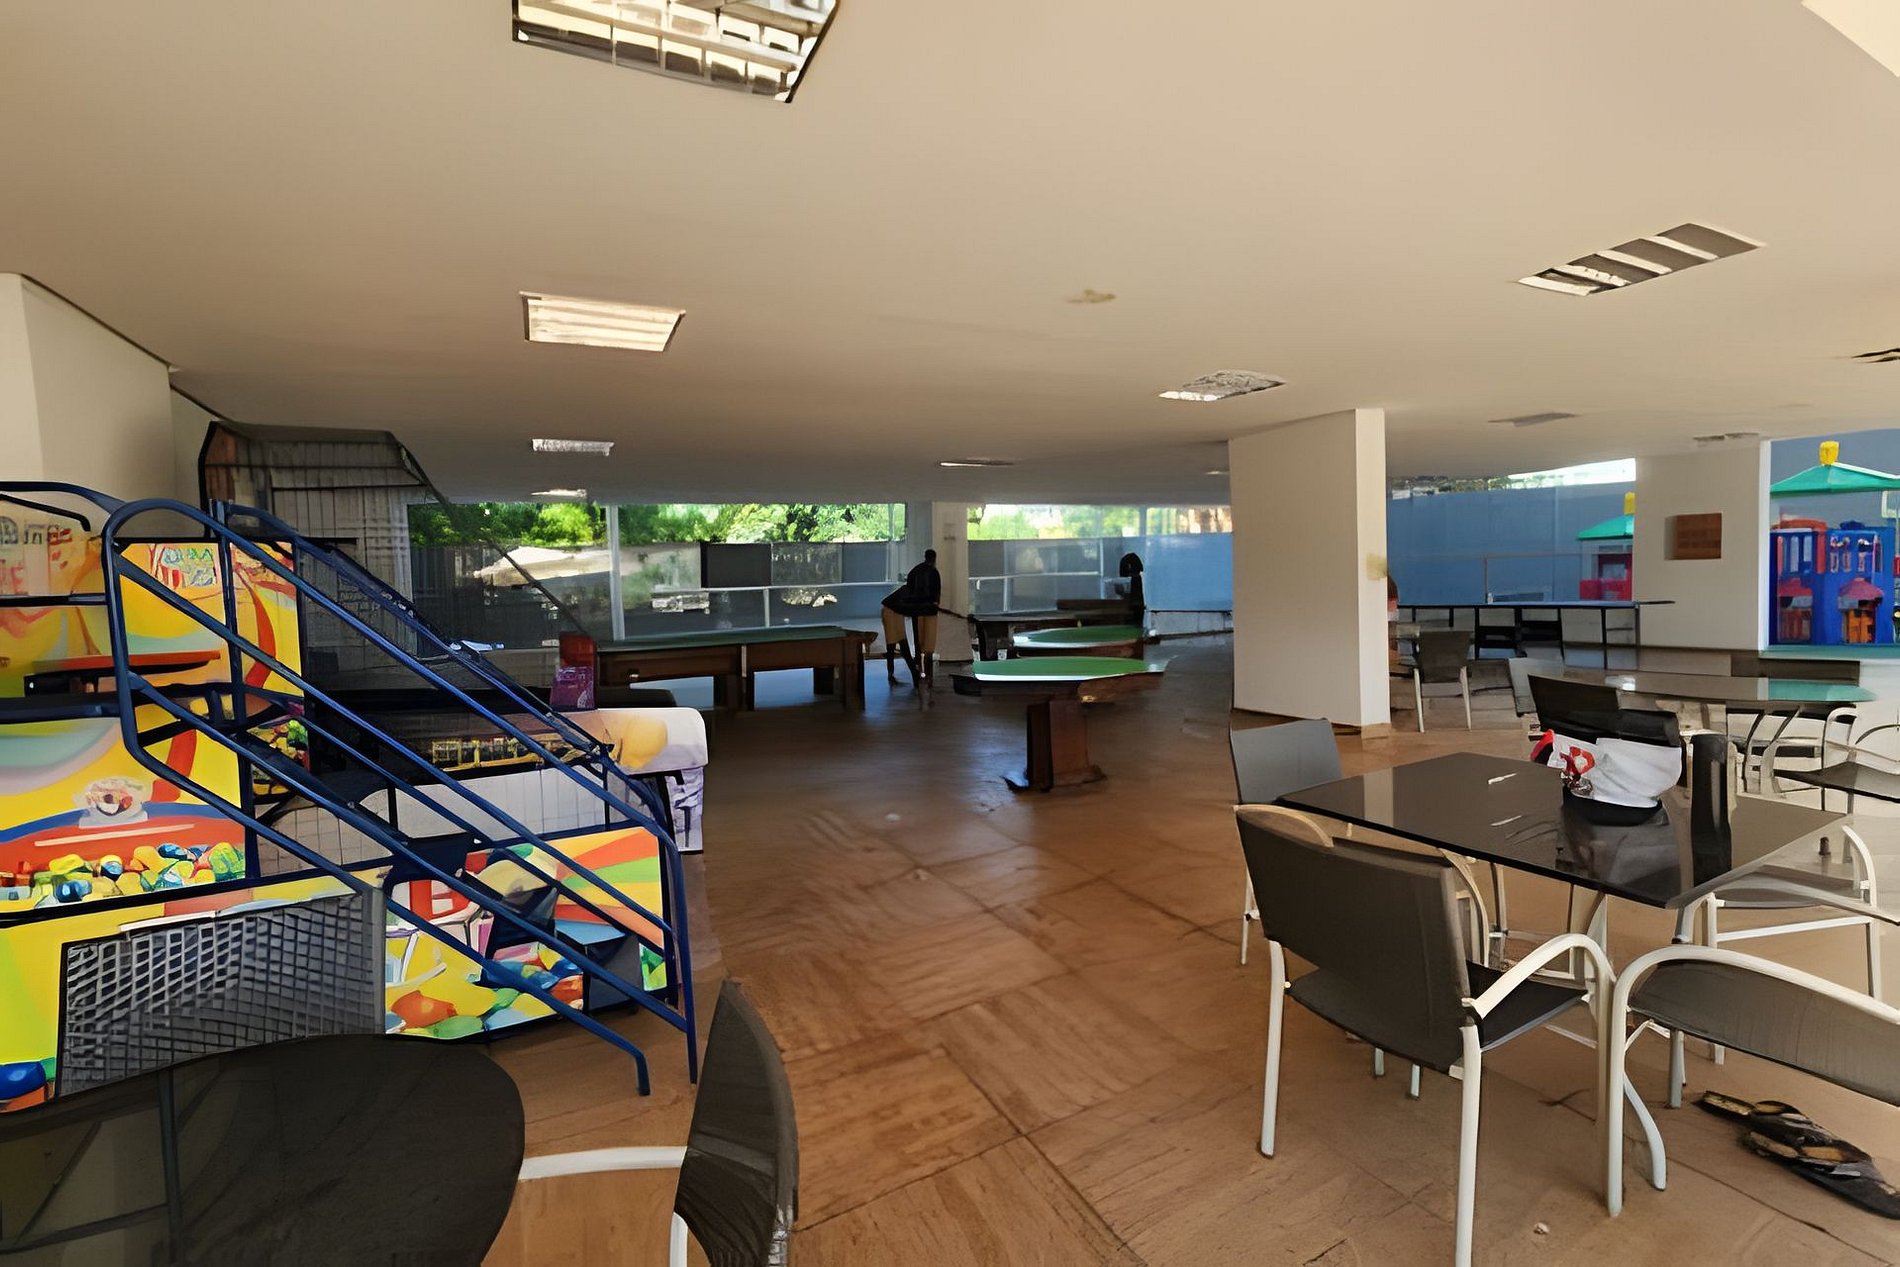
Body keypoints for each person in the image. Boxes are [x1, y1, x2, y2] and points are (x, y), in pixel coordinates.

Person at [881, 549, 942, 685]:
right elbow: (935, 596)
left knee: (903, 644)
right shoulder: (932, 574)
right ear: (934, 559)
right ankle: (907, 674)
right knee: (897, 644)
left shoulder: (915, 572)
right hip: (892, 611)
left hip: (897, 610)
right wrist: (933, 605)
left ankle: (913, 674)